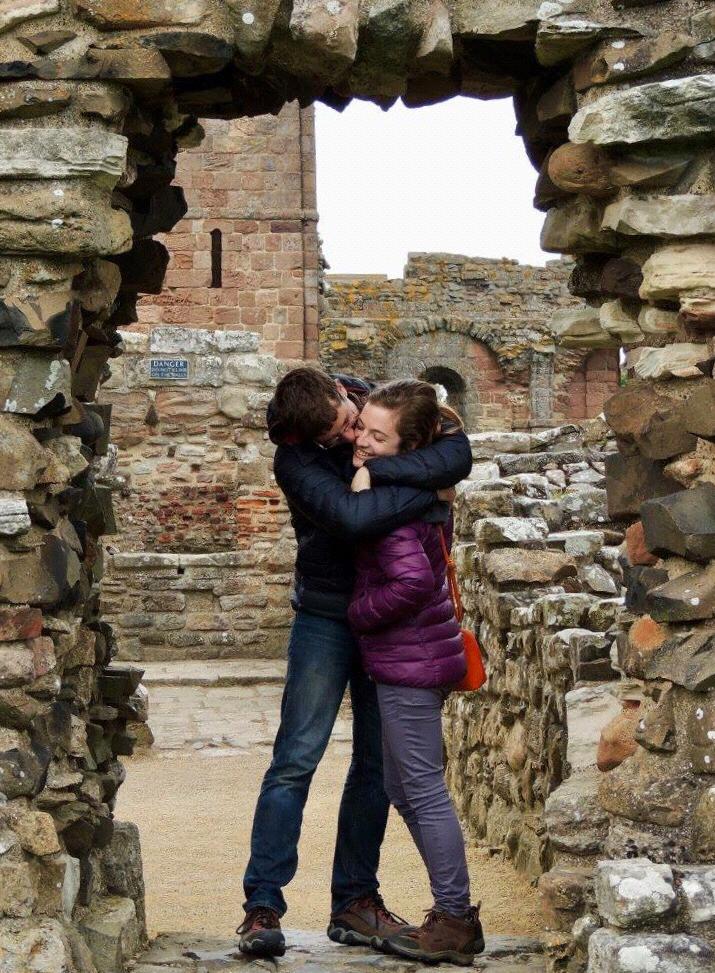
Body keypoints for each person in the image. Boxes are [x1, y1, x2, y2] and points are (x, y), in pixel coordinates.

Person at [237, 366, 472, 958]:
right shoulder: (295, 455)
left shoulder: (378, 402)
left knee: (374, 764)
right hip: (326, 613)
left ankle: (355, 902)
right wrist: (420, 491)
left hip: (387, 618)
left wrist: (378, 471)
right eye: (335, 438)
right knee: (296, 758)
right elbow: (352, 518)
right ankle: (262, 906)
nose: (348, 439)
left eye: (353, 425)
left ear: (347, 395)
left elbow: (457, 453)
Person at [348, 379, 484, 966]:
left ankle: (455, 918)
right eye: (362, 428)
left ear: (410, 445)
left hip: (411, 658)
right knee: (403, 787)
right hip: (411, 655)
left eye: (379, 437)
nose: (363, 442)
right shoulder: (413, 488)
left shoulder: (397, 507)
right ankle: (451, 911)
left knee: (423, 791)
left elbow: (410, 582)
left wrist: (357, 614)